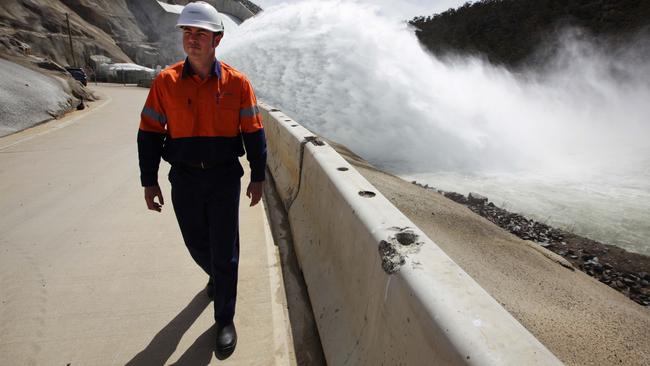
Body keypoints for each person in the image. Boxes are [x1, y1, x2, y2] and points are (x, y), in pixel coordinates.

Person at [136, 1, 266, 359]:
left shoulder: (238, 84)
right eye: (187, 33)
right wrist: (150, 181)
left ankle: (224, 319)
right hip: (185, 180)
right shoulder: (165, 83)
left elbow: (254, 132)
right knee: (196, 243)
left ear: (217, 40)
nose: (192, 40)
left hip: (224, 179)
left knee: (225, 251)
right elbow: (148, 133)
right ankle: (217, 276)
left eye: (201, 34)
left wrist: (258, 176)